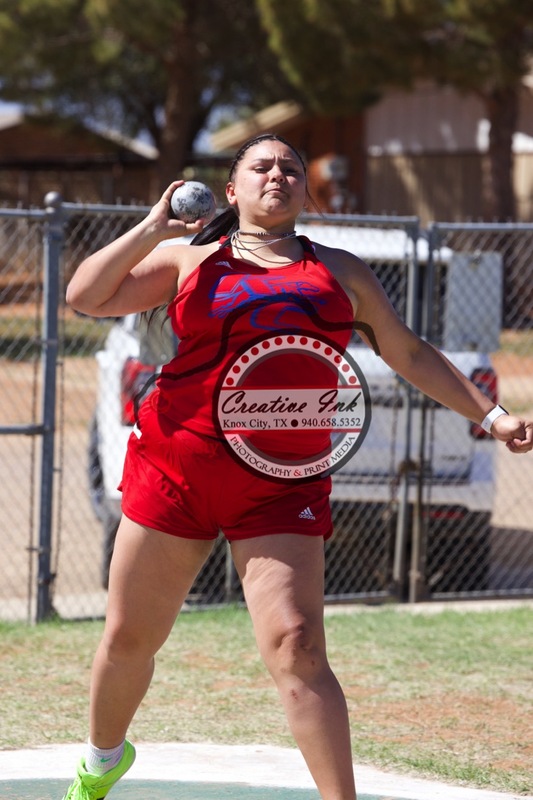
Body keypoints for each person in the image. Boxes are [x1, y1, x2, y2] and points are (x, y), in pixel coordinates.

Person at [61, 133, 533, 800]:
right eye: (260, 166)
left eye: (288, 167)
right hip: (177, 470)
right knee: (129, 637)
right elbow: (87, 295)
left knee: (297, 642)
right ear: (232, 190)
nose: (276, 175)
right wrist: (153, 225)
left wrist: (491, 415)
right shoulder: (189, 257)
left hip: (279, 482)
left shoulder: (339, 271)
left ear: (305, 192)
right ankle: (102, 759)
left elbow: (409, 352)